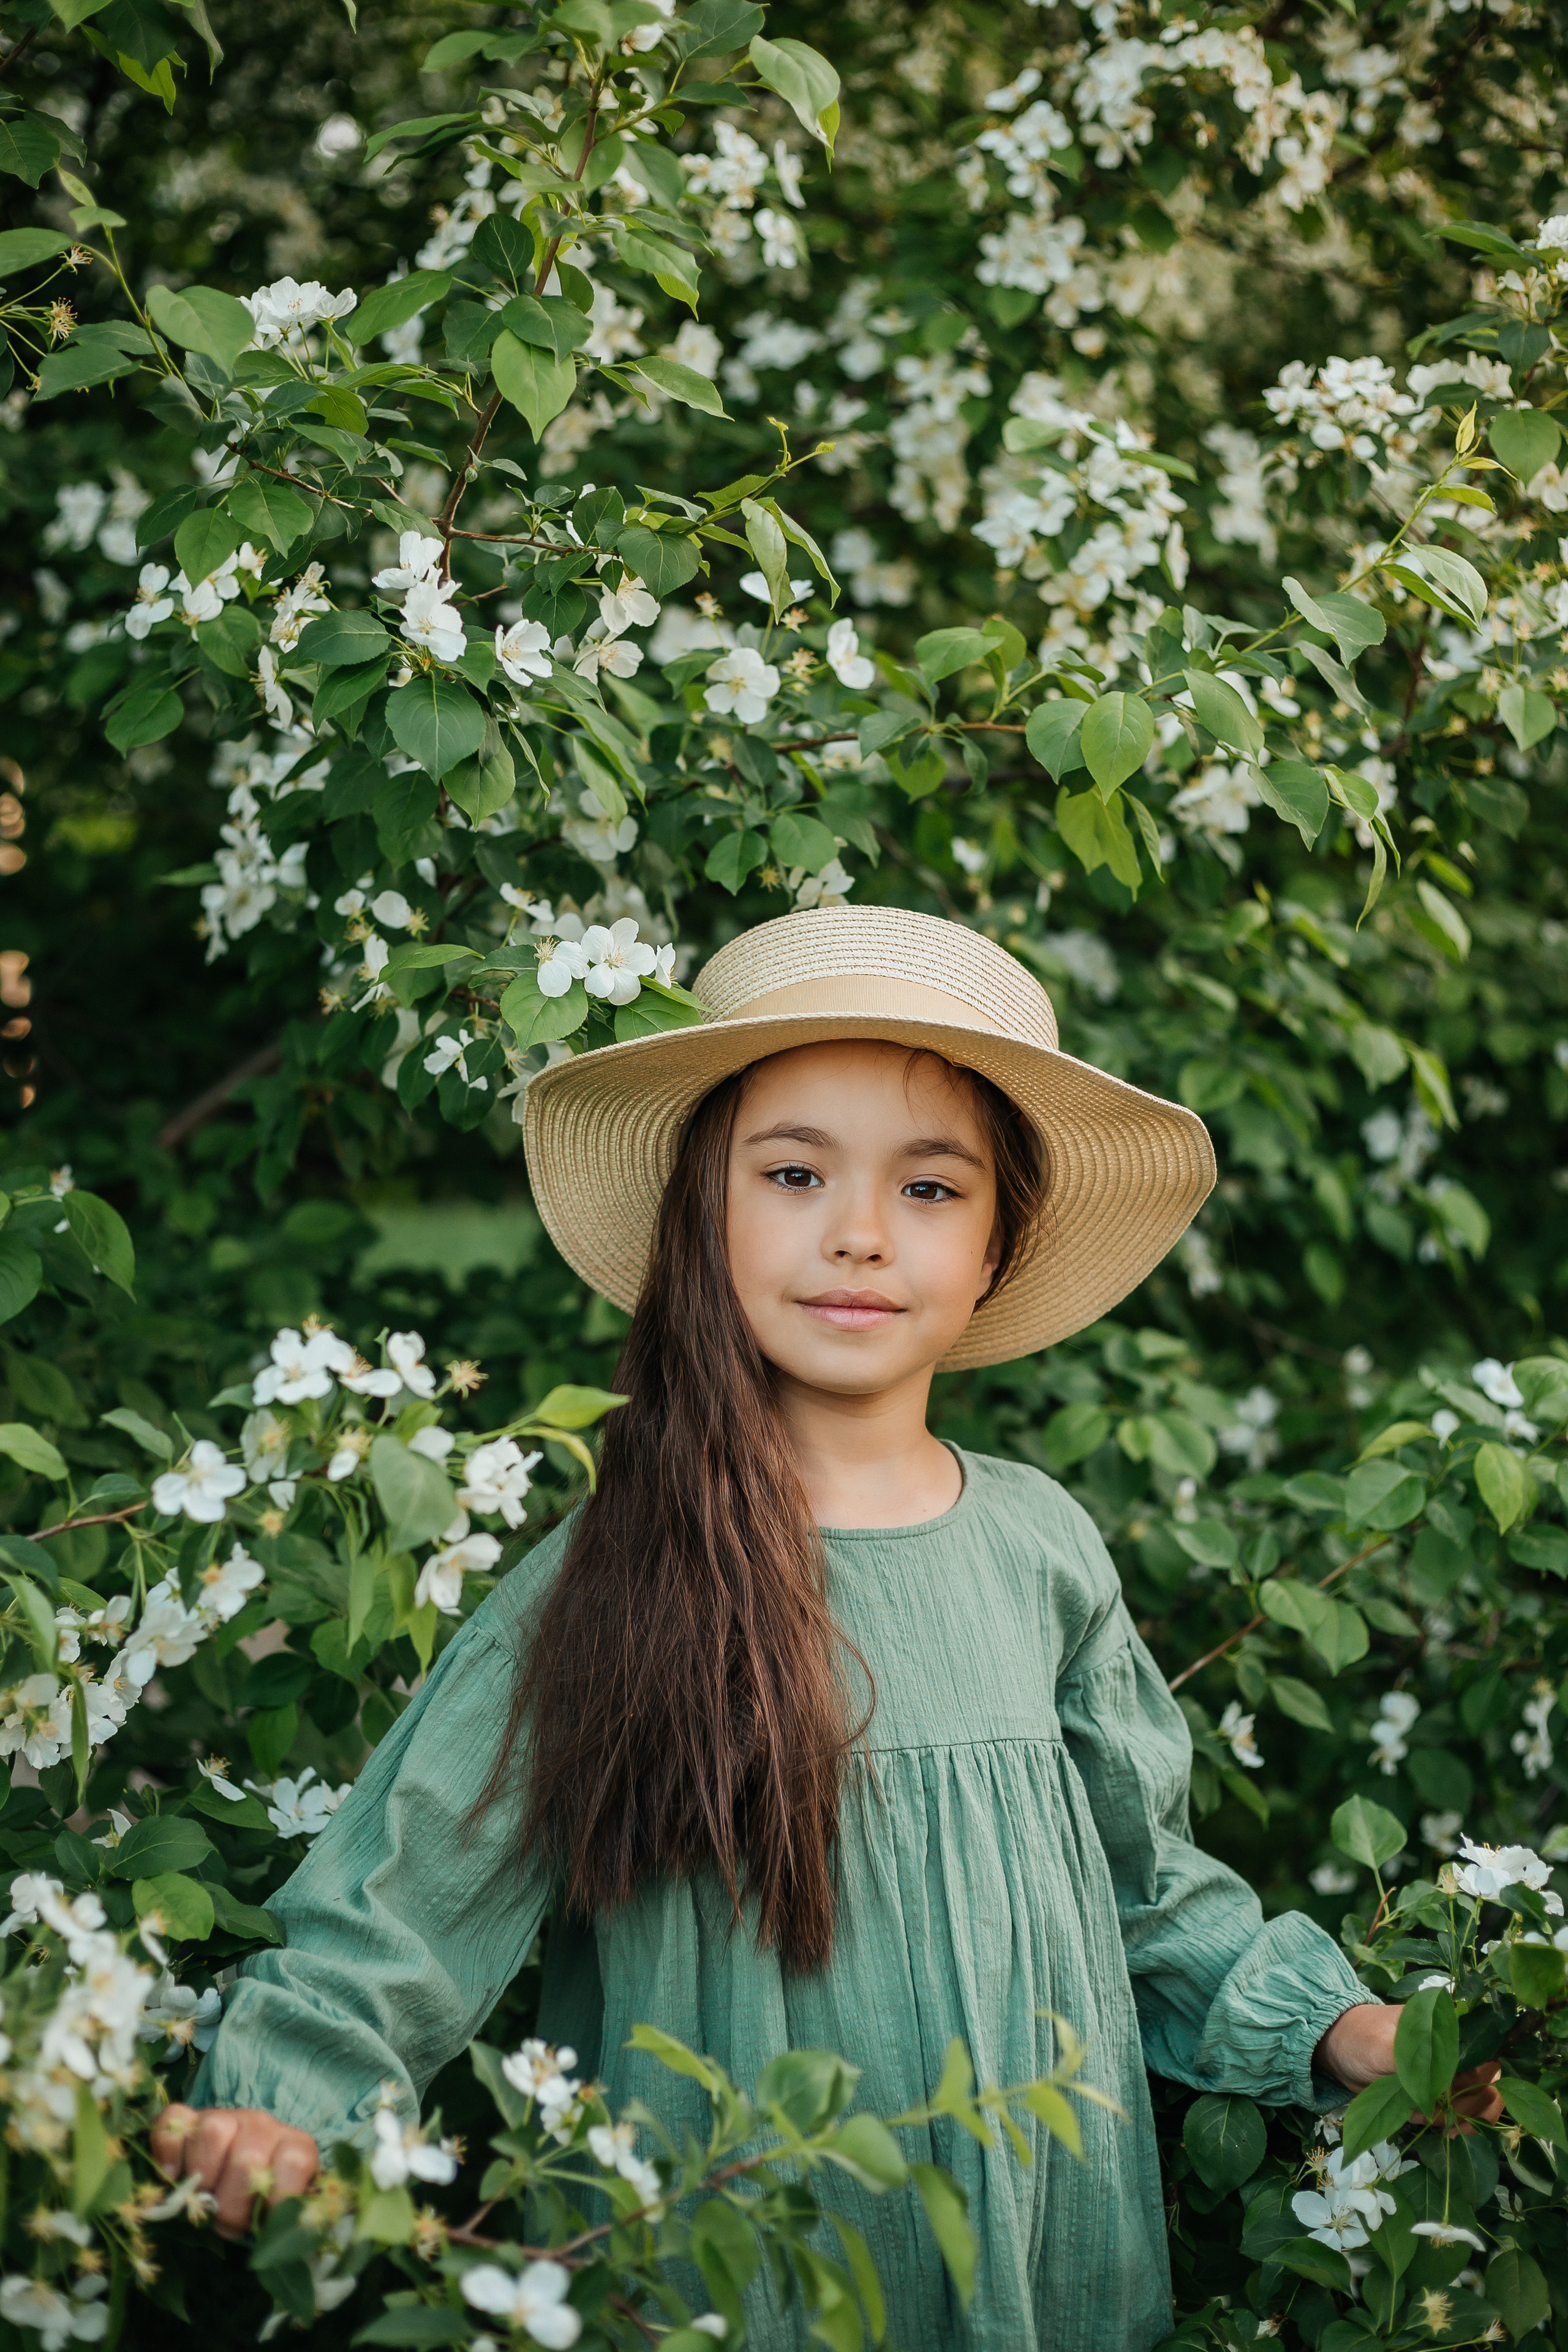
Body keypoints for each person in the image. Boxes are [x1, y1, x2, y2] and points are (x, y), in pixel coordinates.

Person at [158, 905, 1499, 2348]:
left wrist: (1337, 2029)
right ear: (700, 1214)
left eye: (929, 1191)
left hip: (1048, 2263)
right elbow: (406, 1896)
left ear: (997, 1244)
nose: (858, 1233)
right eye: (792, 1173)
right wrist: (277, 2106)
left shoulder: (1037, 1546)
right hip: (722, 2281)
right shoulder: (617, 1570)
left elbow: (1139, 1884)